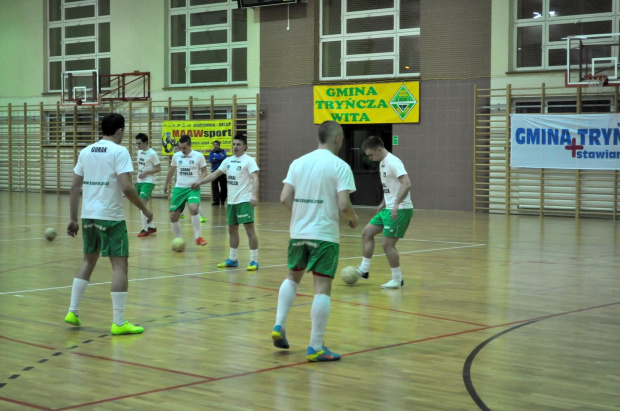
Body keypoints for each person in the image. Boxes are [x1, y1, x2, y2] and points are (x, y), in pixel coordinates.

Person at [270, 121, 358, 362]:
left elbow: (284, 198)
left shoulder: (298, 162)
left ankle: (279, 324)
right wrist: (353, 218)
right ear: (338, 139)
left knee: (292, 278)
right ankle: (316, 346)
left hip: (298, 233)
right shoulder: (340, 166)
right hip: (324, 236)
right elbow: (344, 205)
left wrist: (301, 216)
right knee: (322, 290)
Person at [64, 112, 153, 335]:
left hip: (89, 216)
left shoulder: (86, 151)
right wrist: (144, 208)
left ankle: (72, 311)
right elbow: (126, 187)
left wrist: (73, 218)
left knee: (88, 261)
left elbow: (75, 187)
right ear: (120, 130)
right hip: (111, 217)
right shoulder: (120, 151)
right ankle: (119, 323)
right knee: (120, 267)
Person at [192, 134, 259, 270]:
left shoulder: (249, 160)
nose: (235, 147)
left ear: (245, 146)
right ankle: (233, 259)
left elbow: (255, 178)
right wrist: (200, 181)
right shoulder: (228, 161)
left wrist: (254, 195)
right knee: (232, 230)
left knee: (249, 230)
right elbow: (214, 174)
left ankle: (254, 260)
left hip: (244, 200)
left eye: (238, 144)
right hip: (232, 202)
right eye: (234, 144)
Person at [356, 135, 413, 289]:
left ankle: (397, 279)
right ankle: (364, 270)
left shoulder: (393, 162)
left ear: (379, 149)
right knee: (367, 233)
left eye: (371, 155)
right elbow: (391, 187)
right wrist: (383, 202)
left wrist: (395, 205)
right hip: (388, 208)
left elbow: (406, 183)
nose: (370, 158)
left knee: (388, 244)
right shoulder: (382, 163)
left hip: (400, 209)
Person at [164, 134, 208, 247]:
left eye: (185, 148)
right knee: (173, 216)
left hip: (192, 188)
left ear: (190, 145)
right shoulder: (176, 156)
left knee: (193, 208)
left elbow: (204, 172)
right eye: (180, 148)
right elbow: (172, 171)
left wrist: (199, 181)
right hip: (179, 188)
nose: (182, 150)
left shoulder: (198, 156)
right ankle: (179, 240)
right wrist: (166, 184)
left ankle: (198, 237)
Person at [135, 133, 161, 237]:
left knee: (142, 204)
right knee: (139, 205)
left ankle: (144, 228)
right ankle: (152, 226)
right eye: (136, 143)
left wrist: (145, 173)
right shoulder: (139, 152)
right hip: (140, 181)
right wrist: (137, 179)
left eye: (139, 143)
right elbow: (141, 167)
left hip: (149, 181)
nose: (138, 145)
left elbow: (158, 168)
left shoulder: (152, 154)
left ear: (145, 142)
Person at [208, 140, 227, 206]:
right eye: (214, 145)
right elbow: (211, 160)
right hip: (214, 172)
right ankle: (216, 201)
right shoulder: (212, 152)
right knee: (214, 187)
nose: (215, 146)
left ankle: (222, 200)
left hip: (222, 172)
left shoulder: (223, 151)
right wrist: (219, 158)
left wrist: (215, 158)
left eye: (216, 145)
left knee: (223, 187)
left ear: (219, 145)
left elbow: (224, 158)